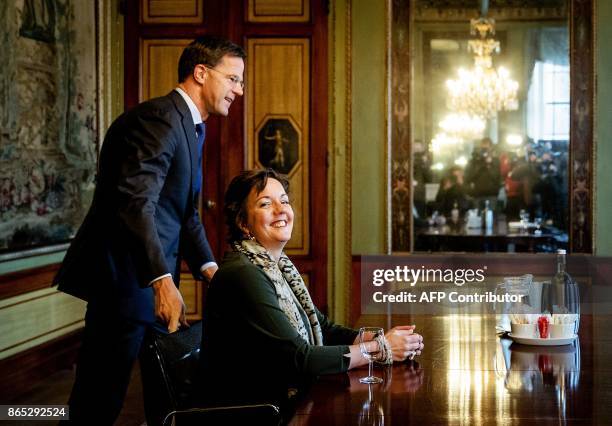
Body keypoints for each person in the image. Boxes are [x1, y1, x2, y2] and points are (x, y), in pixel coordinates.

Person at [52, 35, 246, 424]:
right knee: (96, 402)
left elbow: (183, 214)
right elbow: (136, 202)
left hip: (150, 286)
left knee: (165, 395)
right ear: (201, 72)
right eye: (233, 79)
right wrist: (161, 281)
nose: (238, 91)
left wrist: (211, 272)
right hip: (125, 285)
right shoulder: (158, 118)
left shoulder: (193, 127)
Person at [198, 169, 424, 410]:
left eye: (284, 201)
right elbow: (301, 358)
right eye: (266, 204)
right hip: (253, 414)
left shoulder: (277, 265)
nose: (281, 209)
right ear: (243, 223)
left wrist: (379, 337)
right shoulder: (243, 273)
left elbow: (322, 327)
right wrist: (381, 348)